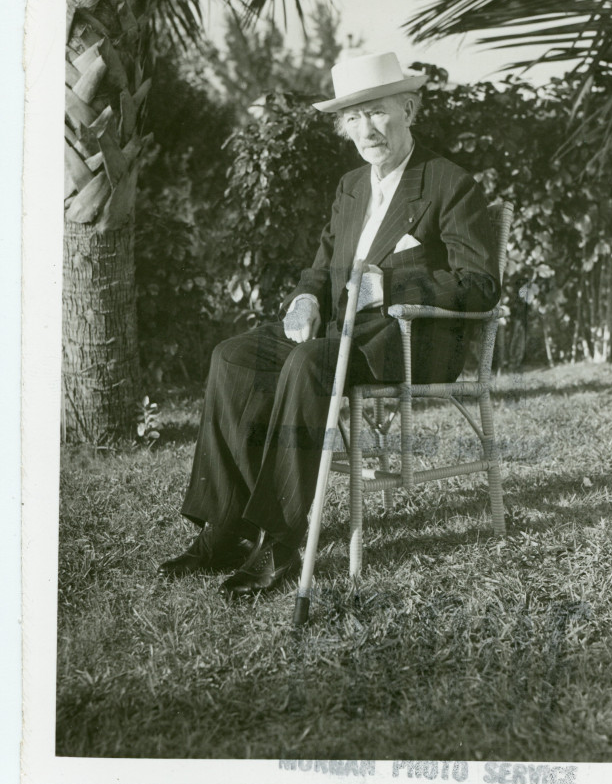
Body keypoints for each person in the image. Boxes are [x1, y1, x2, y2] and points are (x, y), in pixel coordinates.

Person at [159, 51, 500, 599]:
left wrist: (391, 288)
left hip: (407, 338)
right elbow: (320, 268)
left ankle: (281, 542)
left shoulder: (448, 183)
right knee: (233, 356)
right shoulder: (350, 187)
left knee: (308, 363)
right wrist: (303, 301)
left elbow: (481, 284)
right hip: (337, 329)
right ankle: (224, 530)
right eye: (353, 117)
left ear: (408, 108)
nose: (365, 128)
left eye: (378, 112)